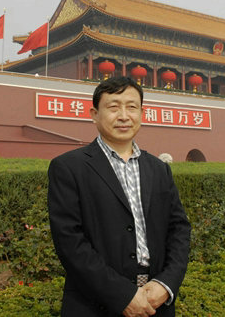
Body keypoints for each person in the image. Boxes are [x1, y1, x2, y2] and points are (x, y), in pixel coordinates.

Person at [48, 76, 191, 316]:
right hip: (94, 305)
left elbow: (179, 230)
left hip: (156, 303)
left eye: (132, 107)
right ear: (94, 114)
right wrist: (123, 295)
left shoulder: (159, 169)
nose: (124, 116)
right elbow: (70, 242)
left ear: (142, 113)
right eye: (113, 107)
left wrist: (166, 284)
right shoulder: (69, 168)